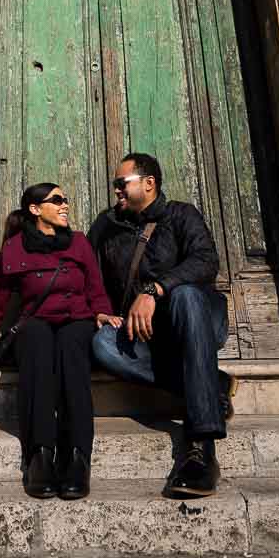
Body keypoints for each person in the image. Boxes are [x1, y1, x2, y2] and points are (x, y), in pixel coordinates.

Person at [0, 182, 120, 500]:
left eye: (65, 200)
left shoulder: (80, 243)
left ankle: (76, 457)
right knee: (35, 342)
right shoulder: (14, 249)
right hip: (36, 324)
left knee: (73, 348)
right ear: (35, 209)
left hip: (76, 322)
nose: (65, 205)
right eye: (56, 200)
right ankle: (39, 455)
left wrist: (102, 313)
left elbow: (96, 290)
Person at [89, 153, 236, 498]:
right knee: (102, 344)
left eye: (121, 184)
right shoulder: (106, 226)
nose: (116, 192)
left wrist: (155, 289)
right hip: (146, 336)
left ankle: (201, 448)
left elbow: (205, 261)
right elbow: (90, 277)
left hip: (196, 320)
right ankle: (210, 383)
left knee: (185, 295)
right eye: (115, 186)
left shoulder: (182, 215)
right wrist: (98, 310)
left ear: (149, 183)